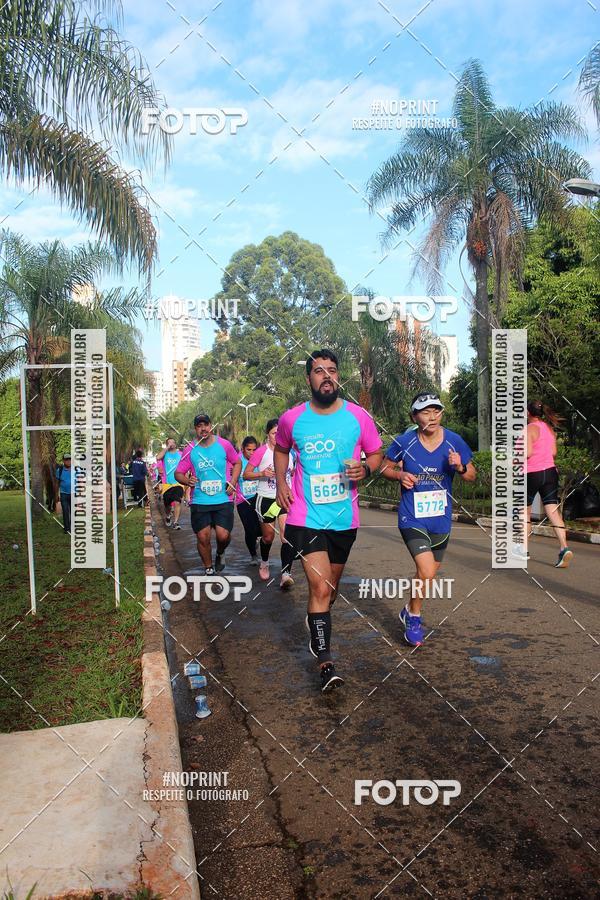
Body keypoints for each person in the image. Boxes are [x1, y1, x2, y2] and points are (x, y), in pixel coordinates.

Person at [275, 349, 383, 692]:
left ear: (339, 377)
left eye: (332, 370)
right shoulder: (292, 419)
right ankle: (324, 660)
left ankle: (318, 621)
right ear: (309, 379)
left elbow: (377, 454)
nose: (326, 376)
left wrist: (365, 468)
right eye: (319, 371)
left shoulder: (358, 417)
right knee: (320, 588)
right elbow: (280, 449)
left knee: (329, 592)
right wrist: (280, 482)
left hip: (343, 519)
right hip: (305, 516)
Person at [381, 392, 476, 646]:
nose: (432, 416)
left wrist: (461, 467)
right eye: (425, 412)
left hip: (440, 521)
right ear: (415, 416)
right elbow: (384, 467)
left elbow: (472, 475)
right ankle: (414, 616)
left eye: (437, 411)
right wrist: (400, 475)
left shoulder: (454, 441)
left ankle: (408, 607)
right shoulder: (405, 441)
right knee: (424, 569)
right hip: (412, 516)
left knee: (428, 574)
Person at [175, 414, 239, 575]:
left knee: (223, 536)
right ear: (195, 429)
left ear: (211, 426)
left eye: (205, 425)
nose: (203, 428)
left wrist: (233, 481)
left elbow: (237, 462)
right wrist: (186, 481)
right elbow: (178, 473)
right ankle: (208, 567)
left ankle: (220, 552)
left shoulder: (224, 445)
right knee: (203, 537)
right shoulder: (190, 449)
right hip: (200, 500)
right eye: (199, 426)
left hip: (223, 498)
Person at [244, 419, 296, 589]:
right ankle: (264, 562)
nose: (278, 436)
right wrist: (262, 473)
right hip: (265, 499)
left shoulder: (291, 452)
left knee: (286, 536)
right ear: (268, 434)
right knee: (268, 537)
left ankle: (286, 574)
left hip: (284, 499)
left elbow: (293, 474)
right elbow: (246, 474)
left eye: (280, 433)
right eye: (274, 433)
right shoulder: (261, 452)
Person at [526, 399, 573, 568]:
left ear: (528, 413)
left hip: (532, 473)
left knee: (525, 511)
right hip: (551, 472)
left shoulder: (529, 429)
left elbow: (528, 452)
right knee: (553, 511)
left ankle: (523, 550)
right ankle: (564, 547)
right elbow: (553, 452)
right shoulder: (549, 429)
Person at [230, 435, 261, 564]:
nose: (252, 453)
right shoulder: (236, 462)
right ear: (243, 449)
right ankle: (253, 556)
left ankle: (257, 539)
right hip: (243, 501)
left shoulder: (260, 459)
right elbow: (231, 479)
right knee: (249, 529)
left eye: (254, 450)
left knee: (261, 529)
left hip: (259, 498)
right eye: (249, 450)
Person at [156, 437, 184, 529]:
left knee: (177, 501)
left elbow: (186, 465)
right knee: (167, 504)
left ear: (175, 444)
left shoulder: (180, 454)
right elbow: (158, 457)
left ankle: (176, 522)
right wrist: (166, 448)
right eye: (169, 442)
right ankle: (168, 516)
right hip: (167, 484)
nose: (171, 443)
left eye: (173, 442)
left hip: (178, 483)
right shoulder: (165, 454)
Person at [56, 453, 72, 533]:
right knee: (65, 511)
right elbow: (57, 483)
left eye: (70, 459)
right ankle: (67, 528)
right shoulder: (60, 470)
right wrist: (57, 494)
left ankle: (72, 527)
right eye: (67, 460)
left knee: (73, 512)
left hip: (73, 494)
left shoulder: (76, 470)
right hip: (63, 494)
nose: (68, 461)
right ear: (63, 461)